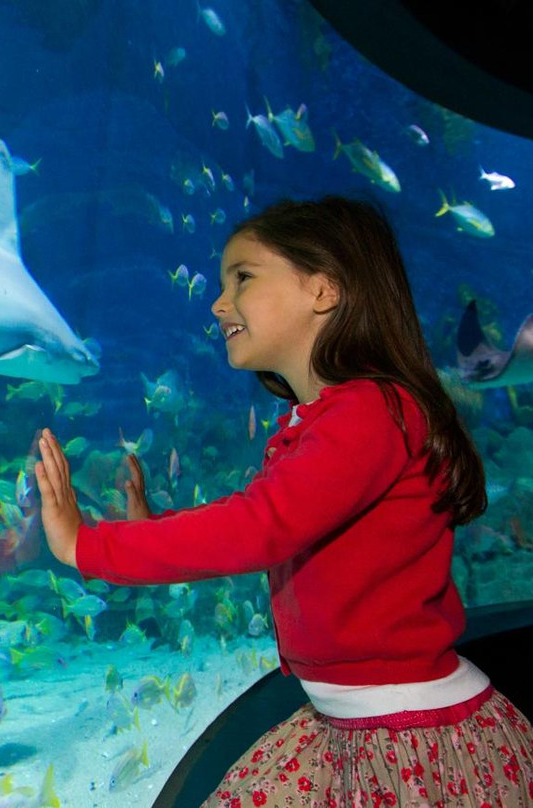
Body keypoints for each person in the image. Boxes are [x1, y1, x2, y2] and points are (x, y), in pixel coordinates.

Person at [35, 196, 533, 807]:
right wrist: (149, 528)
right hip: (348, 727)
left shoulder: (371, 413)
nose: (219, 303)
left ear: (323, 290)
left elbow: (259, 527)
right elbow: (273, 520)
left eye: (242, 277)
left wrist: (88, 545)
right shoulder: (328, 420)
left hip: (410, 741)